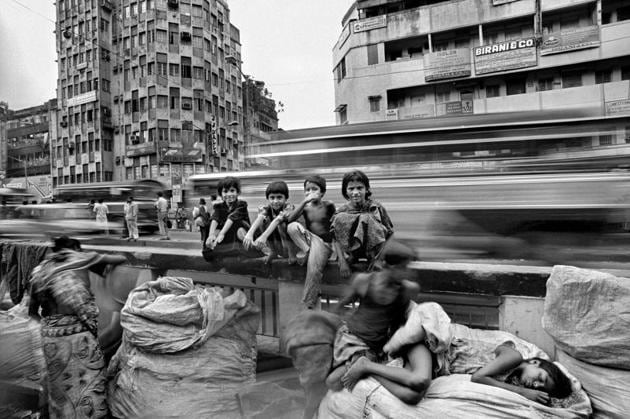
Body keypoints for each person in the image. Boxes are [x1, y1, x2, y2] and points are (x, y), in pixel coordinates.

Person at [339, 314, 573, 406]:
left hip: (436, 362)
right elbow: (478, 377)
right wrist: (525, 394)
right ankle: (366, 364)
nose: (536, 385)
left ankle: (371, 370)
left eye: (542, 388)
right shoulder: (514, 356)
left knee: (412, 396)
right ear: (535, 363)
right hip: (431, 343)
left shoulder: (509, 380)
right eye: (541, 378)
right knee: (419, 380)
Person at [28, 236, 127, 418]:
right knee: (88, 384)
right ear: (74, 248)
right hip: (78, 334)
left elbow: (32, 312)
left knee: (60, 389)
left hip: (49, 336)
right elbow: (120, 259)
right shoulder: (81, 258)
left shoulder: (40, 270)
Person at [326, 245, 420, 393]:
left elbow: (402, 323)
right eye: (403, 267)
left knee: (333, 381)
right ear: (390, 266)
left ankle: (367, 368)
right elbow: (339, 306)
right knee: (326, 376)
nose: (408, 272)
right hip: (348, 338)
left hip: (371, 349)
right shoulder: (363, 281)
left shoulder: (407, 290)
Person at [285, 175, 337, 309]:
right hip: (310, 241)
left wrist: (340, 256)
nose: (310, 193)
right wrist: (303, 202)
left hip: (324, 245)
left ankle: (309, 301)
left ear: (322, 192)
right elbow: (290, 220)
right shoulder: (305, 208)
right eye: (307, 190)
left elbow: (336, 229)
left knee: (313, 270)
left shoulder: (329, 205)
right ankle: (307, 251)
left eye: (314, 189)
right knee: (292, 227)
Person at [332, 170, 394, 279]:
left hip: (374, 253)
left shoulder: (376, 207)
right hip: (351, 254)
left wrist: (379, 260)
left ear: (366, 189)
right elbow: (335, 238)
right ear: (345, 191)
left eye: (359, 188)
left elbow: (390, 234)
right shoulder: (342, 211)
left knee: (367, 217)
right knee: (340, 218)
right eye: (351, 189)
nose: (355, 192)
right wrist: (342, 261)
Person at [243, 180, 297, 264]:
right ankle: (273, 251)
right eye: (272, 198)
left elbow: (278, 220)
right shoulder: (267, 208)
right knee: (263, 221)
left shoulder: (289, 207)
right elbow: (260, 217)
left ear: (286, 198)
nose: (275, 201)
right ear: (268, 198)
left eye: (279, 197)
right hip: (278, 242)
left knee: (283, 224)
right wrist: (249, 233)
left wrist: (263, 236)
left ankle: (291, 254)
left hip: (290, 243)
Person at [206, 176, 251, 250]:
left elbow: (232, 217)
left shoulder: (242, 205)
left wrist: (222, 233)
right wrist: (211, 235)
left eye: (232, 191)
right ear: (221, 194)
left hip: (240, 234)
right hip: (227, 235)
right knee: (215, 231)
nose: (229, 194)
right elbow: (215, 218)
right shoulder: (218, 206)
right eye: (225, 191)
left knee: (240, 231)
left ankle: (250, 248)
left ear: (237, 192)